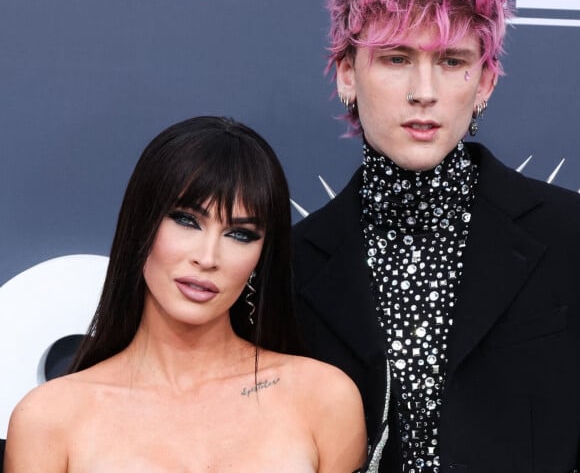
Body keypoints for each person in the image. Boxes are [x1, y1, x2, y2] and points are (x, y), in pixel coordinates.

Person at [292, 0, 580, 472]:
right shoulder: (295, 264)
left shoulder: (568, 236)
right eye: (397, 59)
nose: (424, 91)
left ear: (486, 83)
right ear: (347, 73)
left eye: (451, 61)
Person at [4, 116, 367, 473]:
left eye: (240, 235)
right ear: (141, 224)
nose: (207, 258)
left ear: (261, 256)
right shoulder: (50, 419)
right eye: (187, 221)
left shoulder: (323, 399)